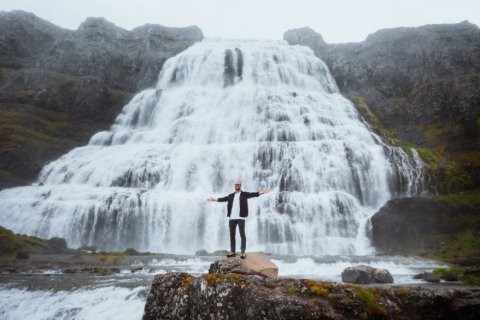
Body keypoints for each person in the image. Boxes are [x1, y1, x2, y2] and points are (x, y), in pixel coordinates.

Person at [207, 181, 269, 258]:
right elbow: (223, 199)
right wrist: (214, 199)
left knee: (242, 234)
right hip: (232, 218)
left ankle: (243, 252)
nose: (237, 186)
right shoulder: (231, 196)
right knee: (232, 235)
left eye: (238, 184)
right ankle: (233, 251)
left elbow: (253, 194)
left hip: (241, 217)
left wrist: (262, 192)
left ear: (240, 185)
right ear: (234, 186)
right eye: (236, 185)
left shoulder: (244, 194)